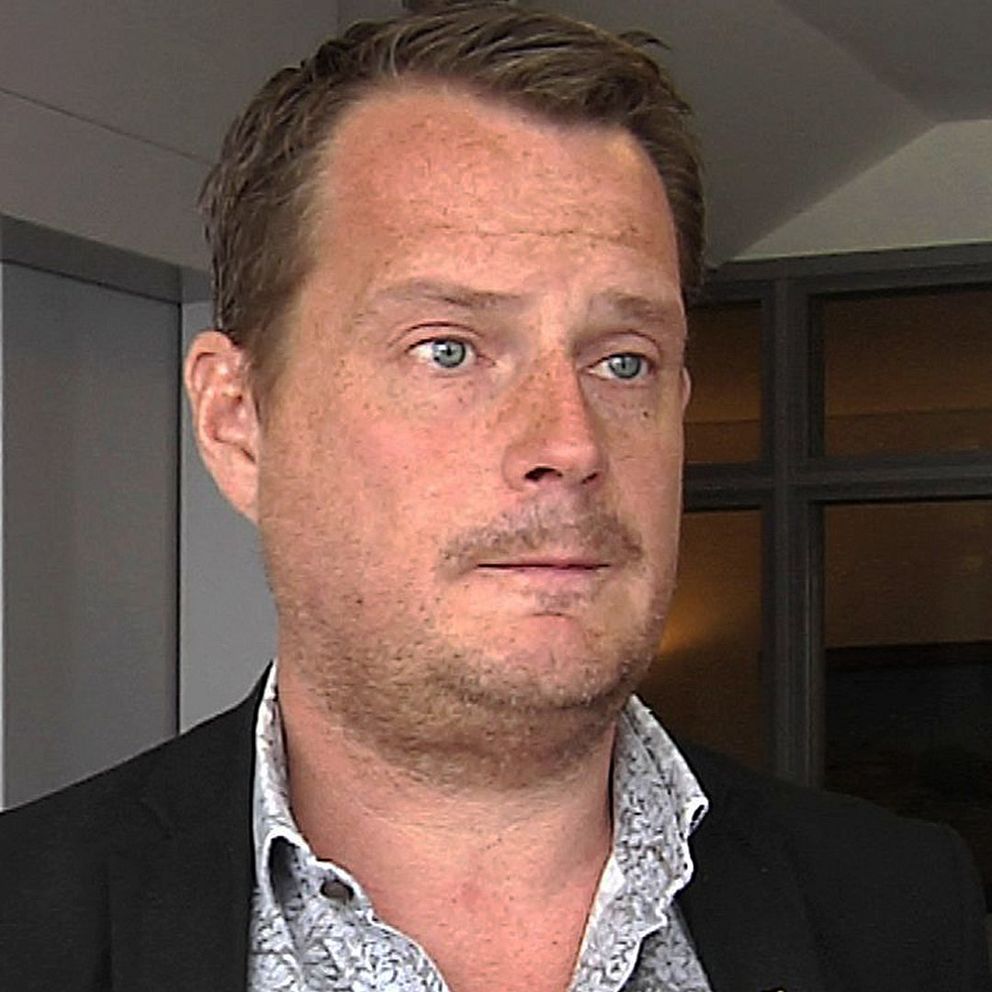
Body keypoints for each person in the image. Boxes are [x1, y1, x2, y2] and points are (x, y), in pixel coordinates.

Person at [1, 2, 989, 990]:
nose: (569, 442)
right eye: (448, 348)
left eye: (623, 360)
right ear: (237, 422)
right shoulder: (24, 925)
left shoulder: (898, 909)